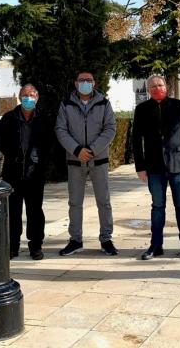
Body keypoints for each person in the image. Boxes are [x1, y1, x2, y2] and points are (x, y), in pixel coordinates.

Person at [132, 75, 180, 260]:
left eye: (160, 85)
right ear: (148, 89)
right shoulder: (142, 109)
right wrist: (140, 166)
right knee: (157, 207)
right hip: (154, 166)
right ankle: (156, 245)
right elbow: (136, 140)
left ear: (166, 86)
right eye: (152, 86)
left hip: (177, 165)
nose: (156, 88)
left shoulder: (179, 106)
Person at [55, 71, 118, 256]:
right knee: (75, 202)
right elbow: (60, 129)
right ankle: (75, 240)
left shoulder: (104, 103)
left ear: (94, 82)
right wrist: (77, 150)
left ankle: (106, 239)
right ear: (75, 83)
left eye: (88, 80)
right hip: (75, 161)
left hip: (99, 159)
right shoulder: (66, 104)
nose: (85, 83)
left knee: (104, 201)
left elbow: (110, 128)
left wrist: (91, 149)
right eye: (81, 80)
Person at [0, 83, 48, 260]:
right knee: (13, 211)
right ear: (20, 97)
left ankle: (36, 246)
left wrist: (40, 161)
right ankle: (13, 247)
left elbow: (48, 144)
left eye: (32, 94)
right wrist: (14, 155)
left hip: (35, 174)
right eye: (25, 95)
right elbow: (2, 142)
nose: (28, 98)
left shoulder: (43, 119)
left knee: (35, 211)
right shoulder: (8, 118)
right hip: (13, 173)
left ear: (37, 97)